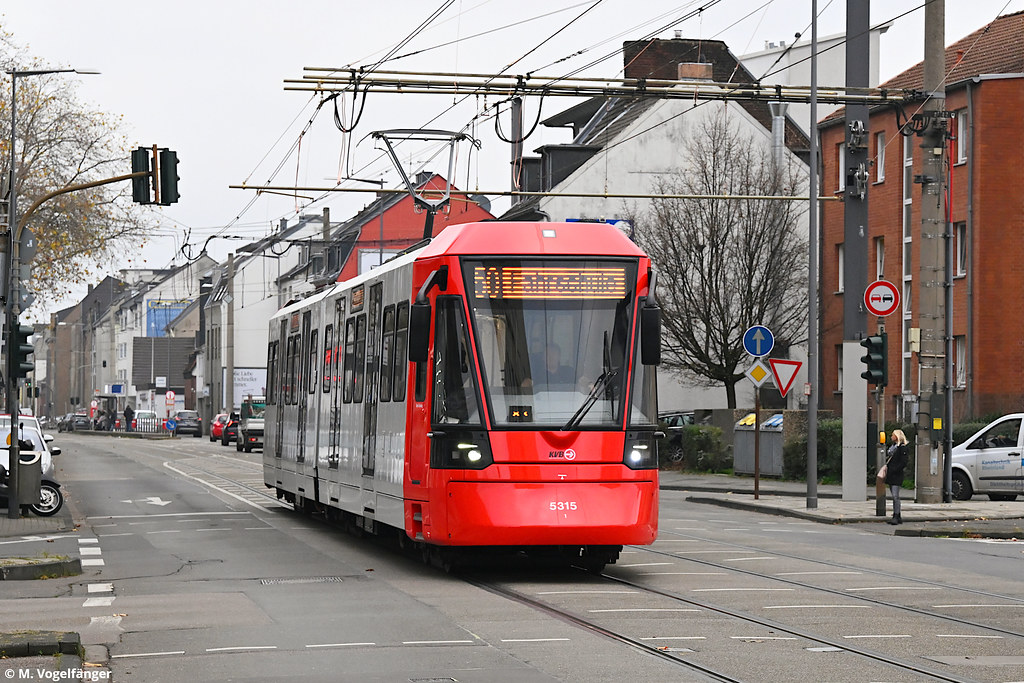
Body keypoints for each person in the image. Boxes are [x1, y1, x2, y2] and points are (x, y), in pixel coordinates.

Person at [885, 429, 909, 525]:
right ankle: (898, 516)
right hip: (891, 474)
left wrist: (895, 469)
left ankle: (896, 515)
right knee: (894, 495)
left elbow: (903, 462)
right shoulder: (893, 447)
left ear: (897, 436)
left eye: (893, 435)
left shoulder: (902, 448)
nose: (891, 437)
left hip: (896, 474)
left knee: (895, 496)